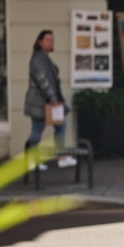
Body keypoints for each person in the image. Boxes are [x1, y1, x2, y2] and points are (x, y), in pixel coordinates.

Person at [24, 30, 77, 169]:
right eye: (48, 39)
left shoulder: (45, 58)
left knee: (60, 126)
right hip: (40, 103)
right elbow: (43, 81)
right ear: (39, 41)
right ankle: (31, 160)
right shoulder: (37, 59)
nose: (51, 42)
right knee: (37, 130)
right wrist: (53, 99)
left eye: (52, 40)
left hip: (50, 101)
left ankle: (62, 156)